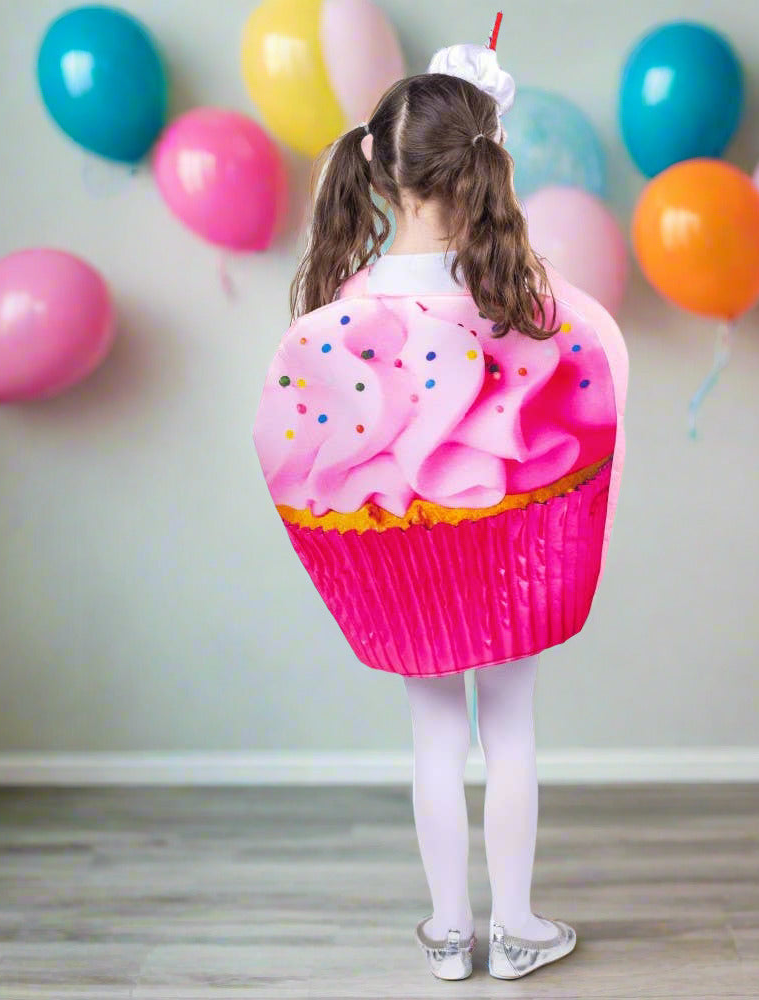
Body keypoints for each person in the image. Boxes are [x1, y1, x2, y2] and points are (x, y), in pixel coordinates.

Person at [254, 38, 627, 982]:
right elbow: (598, 386)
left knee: (433, 736)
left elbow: (295, 452)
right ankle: (517, 928)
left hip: (400, 560)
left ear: (377, 165)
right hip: (510, 553)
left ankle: (448, 934)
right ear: (486, 164)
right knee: (510, 730)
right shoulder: (525, 304)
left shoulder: (342, 311)